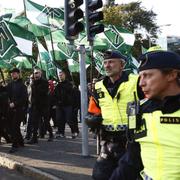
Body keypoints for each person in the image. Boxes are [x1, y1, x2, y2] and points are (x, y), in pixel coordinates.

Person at [86, 50, 144, 180]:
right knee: (99, 176)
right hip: (108, 141)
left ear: (122, 65)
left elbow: (151, 103)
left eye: (111, 62)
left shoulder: (136, 81)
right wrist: (90, 118)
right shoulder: (98, 86)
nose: (107, 65)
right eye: (105, 62)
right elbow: (93, 109)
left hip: (131, 141)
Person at [133, 50, 180, 179]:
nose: (141, 83)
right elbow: (132, 158)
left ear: (171, 75)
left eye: (147, 75)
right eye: (140, 76)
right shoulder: (141, 110)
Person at [28, 69, 53, 144]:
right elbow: (31, 95)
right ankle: (34, 138)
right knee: (35, 122)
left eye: (37, 73)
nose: (35, 75)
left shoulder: (44, 82)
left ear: (40, 73)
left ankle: (51, 134)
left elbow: (42, 92)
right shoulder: (33, 83)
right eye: (34, 73)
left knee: (46, 121)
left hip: (44, 105)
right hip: (35, 105)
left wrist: (34, 84)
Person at [7, 68, 28, 153]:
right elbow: (6, 93)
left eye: (14, 73)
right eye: (12, 73)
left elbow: (24, 98)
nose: (13, 74)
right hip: (11, 109)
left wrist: (15, 104)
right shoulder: (10, 84)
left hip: (19, 109)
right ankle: (21, 142)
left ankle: (15, 145)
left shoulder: (22, 86)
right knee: (12, 127)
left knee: (15, 127)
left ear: (18, 74)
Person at [54, 70, 77, 138]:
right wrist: (56, 103)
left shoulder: (69, 84)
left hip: (67, 105)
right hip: (59, 105)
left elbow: (72, 93)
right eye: (59, 75)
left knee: (69, 119)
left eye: (61, 75)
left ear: (64, 75)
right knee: (59, 119)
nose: (60, 76)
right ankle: (61, 133)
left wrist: (74, 105)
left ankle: (73, 132)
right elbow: (55, 95)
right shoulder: (57, 85)